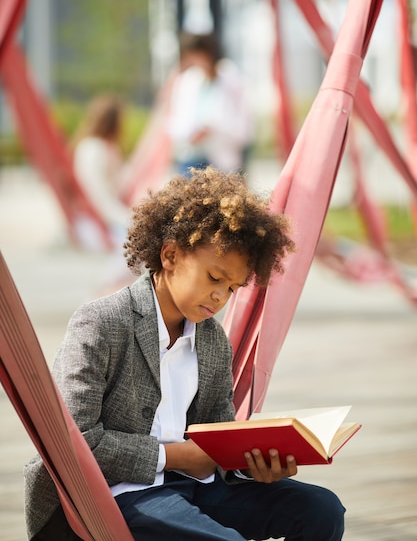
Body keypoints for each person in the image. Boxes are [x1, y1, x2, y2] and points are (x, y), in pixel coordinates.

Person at [24, 167, 345, 541]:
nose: (220, 297)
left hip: (193, 487)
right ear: (171, 254)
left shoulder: (212, 342)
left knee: (321, 510)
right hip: (114, 496)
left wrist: (252, 466)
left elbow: (216, 436)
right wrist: (174, 457)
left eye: (232, 288)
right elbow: (74, 442)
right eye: (213, 278)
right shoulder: (101, 323)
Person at [72, 94, 134, 294]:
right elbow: (98, 197)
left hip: (106, 216)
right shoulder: (93, 149)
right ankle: (103, 291)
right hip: (94, 220)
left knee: (138, 249)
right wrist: (128, 217)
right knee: (137, 247)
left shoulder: (106, 148)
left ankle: (108, 293)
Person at [167, 33, 254, 175]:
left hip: (223, 163)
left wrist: (213, 130)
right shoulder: (187, 81)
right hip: (190, 159)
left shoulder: (231, 79)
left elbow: (244, 129)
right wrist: (192, 133)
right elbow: (175, 123)